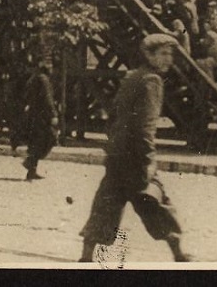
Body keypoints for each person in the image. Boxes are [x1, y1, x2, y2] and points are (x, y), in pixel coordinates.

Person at [79, 34, 191, 262]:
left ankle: (86, 256)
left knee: (106, 204)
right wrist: (148, 159)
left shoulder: (132, 76)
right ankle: (179, 253)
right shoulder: (152, 81)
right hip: (137, 156)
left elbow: (112, 115)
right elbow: (145, 126)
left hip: (117, 154)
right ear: (149, 55)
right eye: (163, 54)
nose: (169, 59)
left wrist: (113, 144)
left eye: (170, 54)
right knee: (155, 202)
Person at [21, 61, 59, 181]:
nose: (52, 68)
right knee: (50, 138)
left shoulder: (35, 78)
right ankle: (29, 162)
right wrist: (53, 115)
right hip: (43, 116)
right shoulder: (44, 79)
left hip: (34, 115)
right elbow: (48, 98)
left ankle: (31, 170)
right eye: (50, 66)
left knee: (36, 142)